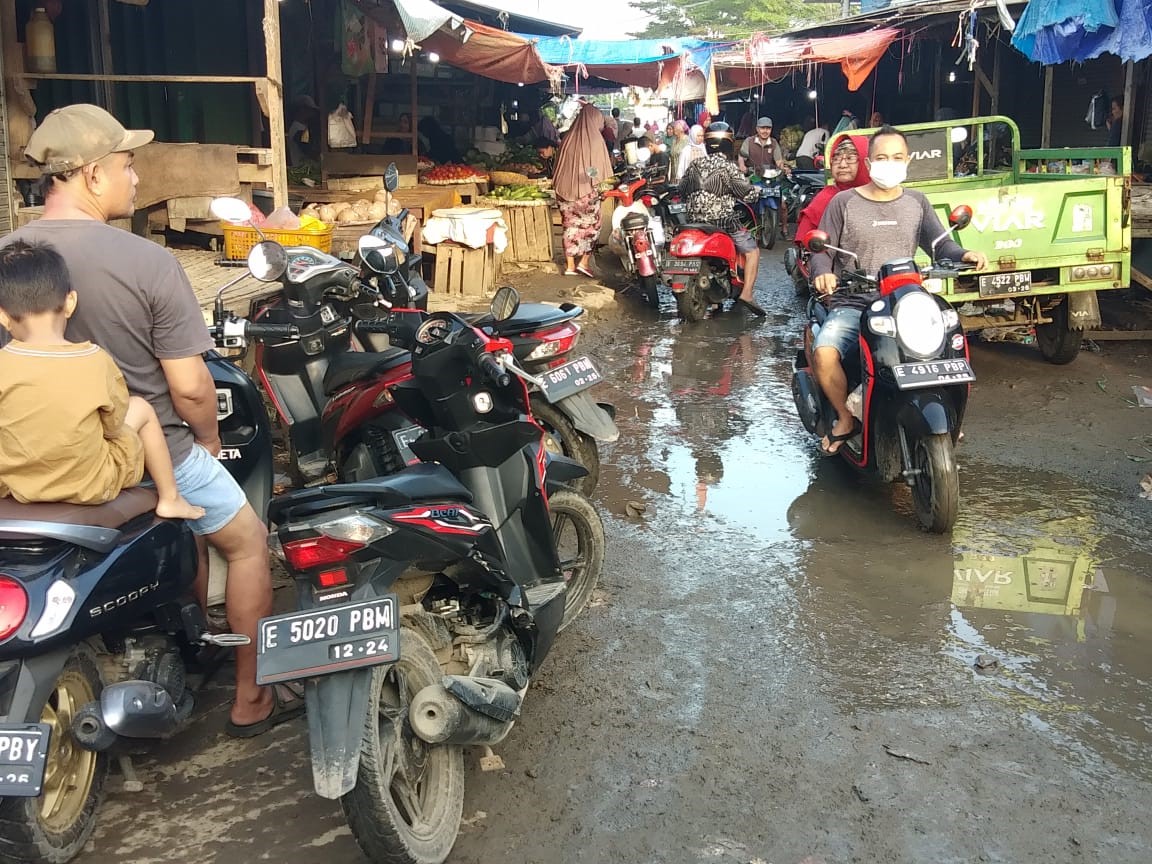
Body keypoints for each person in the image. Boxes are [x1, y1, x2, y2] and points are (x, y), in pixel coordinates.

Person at [2, 104, 293, 737]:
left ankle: (184, 645)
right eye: (128, 166)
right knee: (245, 543)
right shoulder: (147, 262)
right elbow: (190, 388)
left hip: (24, 462)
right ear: (91, 175)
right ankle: (251, 698)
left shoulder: (9, 259)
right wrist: (211, 441)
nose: (136, 179)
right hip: (145, 450)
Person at [809, 125, 988, 455]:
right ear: (869, 161)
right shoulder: (843, 202)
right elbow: (822, 251)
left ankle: (944, 412)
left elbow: (941, 244)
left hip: (906, 301)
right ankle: (847, 418)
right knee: (825, 352)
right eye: (881, 157)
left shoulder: (917, 202)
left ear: (907, 161)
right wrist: (823, 274)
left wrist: (964, 254)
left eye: (896, 157)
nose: (888, 163)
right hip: (854, 301)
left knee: (950, 345)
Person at [0, 240, 204, 522]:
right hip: (92, 485)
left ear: (3, 316)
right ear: (70, 303)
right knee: (142, 408)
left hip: (18, 486)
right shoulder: (95, 360)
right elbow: (112, 423)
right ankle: (171, 498)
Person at [679, 122, 765, 317]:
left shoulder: (695, 164)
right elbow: (747, 194)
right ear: (728, 144)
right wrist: (757, 191)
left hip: (694, 222)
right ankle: (747, 294)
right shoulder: (728, 167)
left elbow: (682, 191)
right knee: (752, 251)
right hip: (722, 222)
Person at [554, 101, 613, 279]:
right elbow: (596, 171)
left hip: (564, 193)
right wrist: (602, 190)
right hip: (587, 194)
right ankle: (584, 262)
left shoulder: (567, 138)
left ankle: (570, 266)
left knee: (570, 228)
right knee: (593, 226)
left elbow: (558, 166)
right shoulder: (596, 141)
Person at [794, 134, 870, 240]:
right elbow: (806, 244)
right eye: (836, 158)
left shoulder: (879, 196)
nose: (842, 164)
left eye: (850, 158)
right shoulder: (824, 200)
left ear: (865, 162)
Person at [286, 95, 320, 167]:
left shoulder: (301, 127)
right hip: (302, 170)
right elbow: (307, 149)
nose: (312, 114)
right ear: (303, 109)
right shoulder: (297, 129)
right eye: (310, 110)